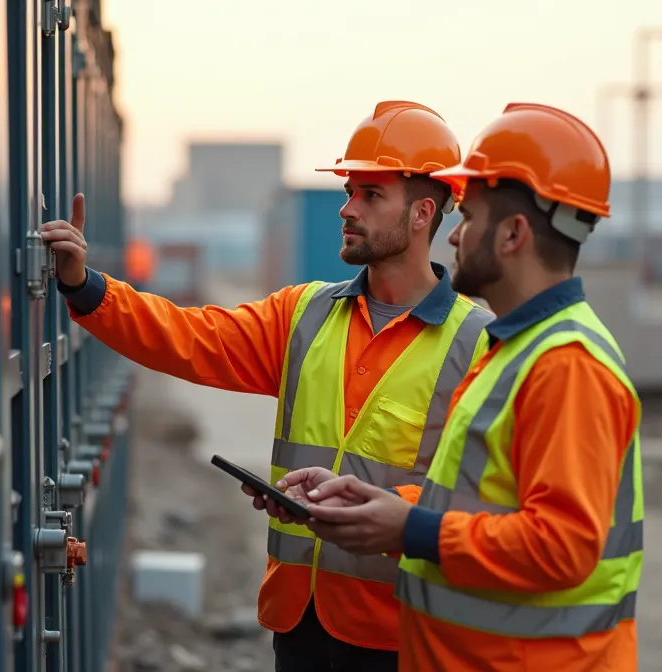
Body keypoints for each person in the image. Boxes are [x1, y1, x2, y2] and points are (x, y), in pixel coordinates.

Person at [38, 100, 494, 672]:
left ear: (424, 213)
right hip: (298, 625)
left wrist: (377, 511)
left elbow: (483, 504)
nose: (346, 209)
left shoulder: (477, 346)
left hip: (404, 637)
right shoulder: (304, 314)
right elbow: (188, 337)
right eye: (349, 190)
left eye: (370, 195)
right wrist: (86, 288)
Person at [275, 102, 644, 671]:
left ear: (513, 234)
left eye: (469, 218)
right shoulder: (512, 350)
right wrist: (376, 503)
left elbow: (564, 547)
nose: (455, 237)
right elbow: (481, 505)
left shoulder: (566, 363)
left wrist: (409, 526)